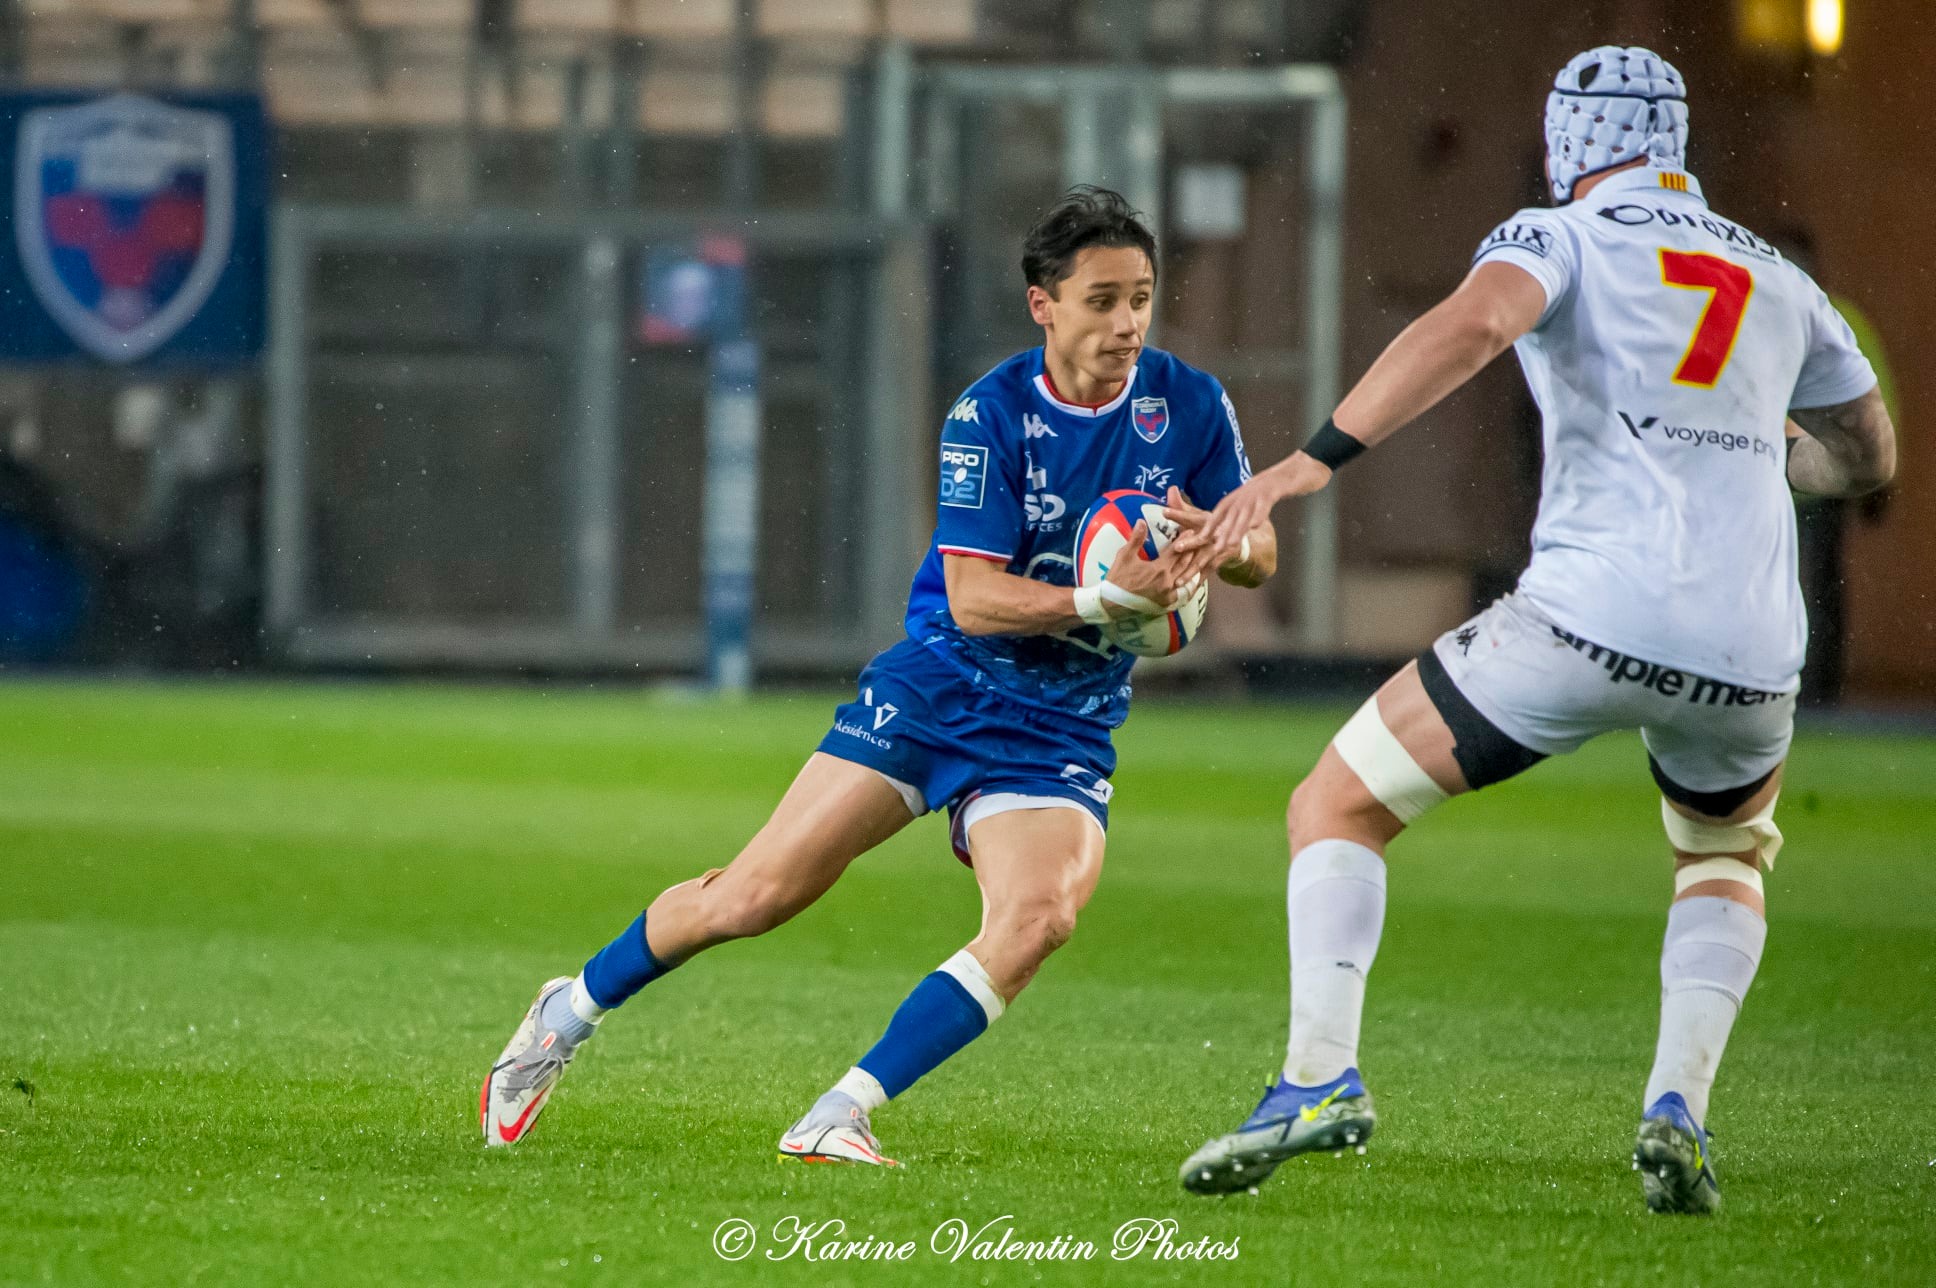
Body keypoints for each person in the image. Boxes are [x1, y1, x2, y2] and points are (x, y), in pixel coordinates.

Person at [1168, 47, 1897, 1214]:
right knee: (1720, 856)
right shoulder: (1781, 279)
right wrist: (1771, 458)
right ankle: (1678, 1110)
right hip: (1755, 648)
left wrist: (1310, 463)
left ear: (1570, 143)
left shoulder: (1557, 237)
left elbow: (1469, 329)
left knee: (1337, 801)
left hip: (1590, 618)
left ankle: (1315, 1078)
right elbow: (1870, 456)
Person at [482, 186, 1278, 1164]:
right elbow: (976, 596)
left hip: (1061, 723)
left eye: (1141, 298)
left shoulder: (1187, 402)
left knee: (1038, 920)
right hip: (941, 685)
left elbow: (1261, 549)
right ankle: (568, 1010)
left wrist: (1218, 545)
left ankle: (839, 1112)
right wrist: (1106, 600)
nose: (1126, 324)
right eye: (1101, 300)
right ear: (1044, 304)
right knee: (754, 896)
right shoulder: (986, 415)